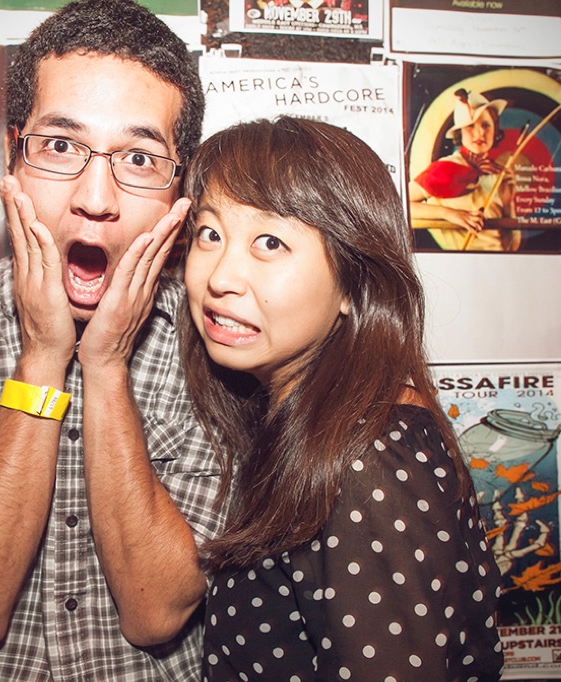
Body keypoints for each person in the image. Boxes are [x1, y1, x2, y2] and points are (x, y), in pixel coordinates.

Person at [0, 1, 223, 679]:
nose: (96, 198)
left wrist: (106, 367)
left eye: (139, 158)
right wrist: (42, 358)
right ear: (13, 154)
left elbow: (156, 613)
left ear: (181, 188)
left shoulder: (216, 345)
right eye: (60, 146)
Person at [177, 117, 504, 679]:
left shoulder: (367, 458)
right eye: (210, 234)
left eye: (270, 243)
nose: (221, 276)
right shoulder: (309, 419)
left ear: (355, 284)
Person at [408, 88, 521, 251]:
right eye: (470, 126)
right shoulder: (445, 168)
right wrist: (450, 214)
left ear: (495, 131)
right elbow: (401, 205)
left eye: (486, 125)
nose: (479, 133)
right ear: (459, 132)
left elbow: (513, 246)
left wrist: (509, 205)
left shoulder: (498, 173)